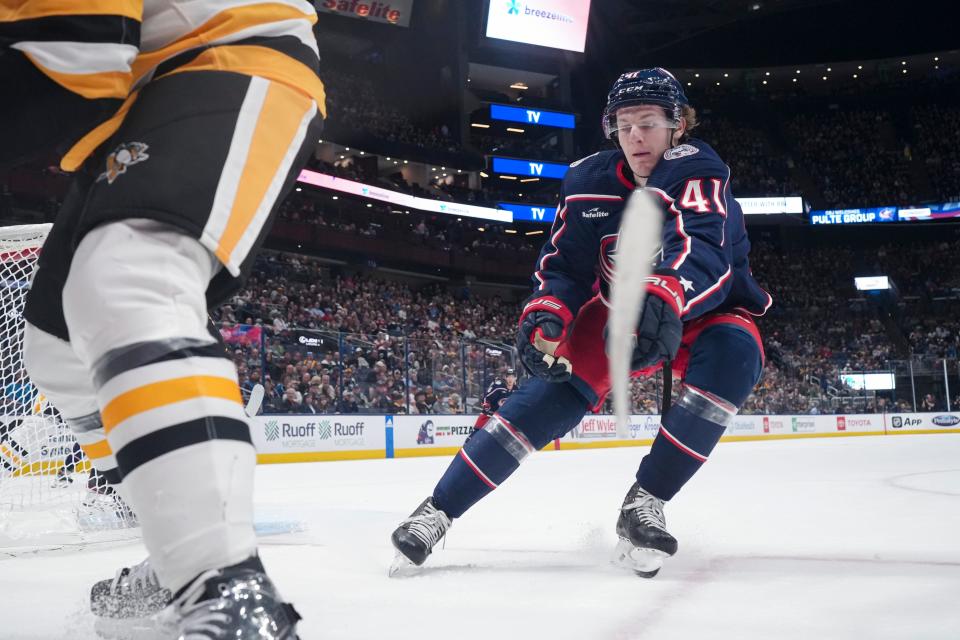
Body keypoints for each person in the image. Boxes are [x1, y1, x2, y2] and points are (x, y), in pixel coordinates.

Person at [5, 1, 326, 637]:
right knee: (56, 350)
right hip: (135, 107)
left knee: (129, 274)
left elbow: (82, 53)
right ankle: (177, 551)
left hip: (230, 51)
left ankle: (231, 595)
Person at [391, 68, 771, 578]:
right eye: (625, 123)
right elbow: (564, 267)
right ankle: (437, 511)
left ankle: (646, 499)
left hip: (701, 310)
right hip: (618, 313)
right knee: (544, 398)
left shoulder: (699, 171)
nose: (636, 135)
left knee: (736, 354)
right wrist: (547, 313)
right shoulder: (586, 180)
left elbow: (704, 247)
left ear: (678, 126)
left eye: (650, 122)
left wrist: (666, 294)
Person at [467, 369, 519, 440]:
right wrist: (486, 405)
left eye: (512, 377)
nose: (510, 379)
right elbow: (486, 397)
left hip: (500, 419)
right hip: (488, 415)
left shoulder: (517, 390)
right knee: (474, 435)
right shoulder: (499, 387)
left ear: (515, 378)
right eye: (508, 376)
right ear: (505, 378)